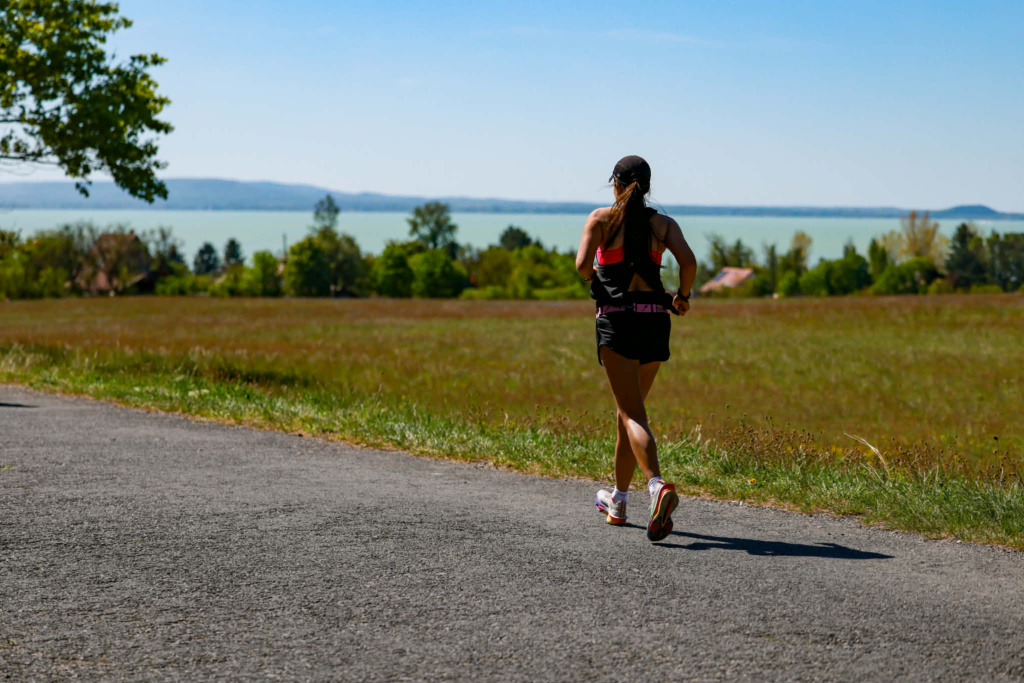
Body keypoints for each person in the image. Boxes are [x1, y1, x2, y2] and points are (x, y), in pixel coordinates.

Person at [575, 155, 697, 542]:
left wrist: (599, 273)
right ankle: (618, 501)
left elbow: (581, 266)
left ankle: (657, 486)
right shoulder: (663, 224)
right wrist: (683, 296)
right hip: (655, 322)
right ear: (647, 184)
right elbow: (689, 261)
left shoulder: (600, 219)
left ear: (615, 182)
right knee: (627, 414)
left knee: (632, 415)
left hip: (618, 321)